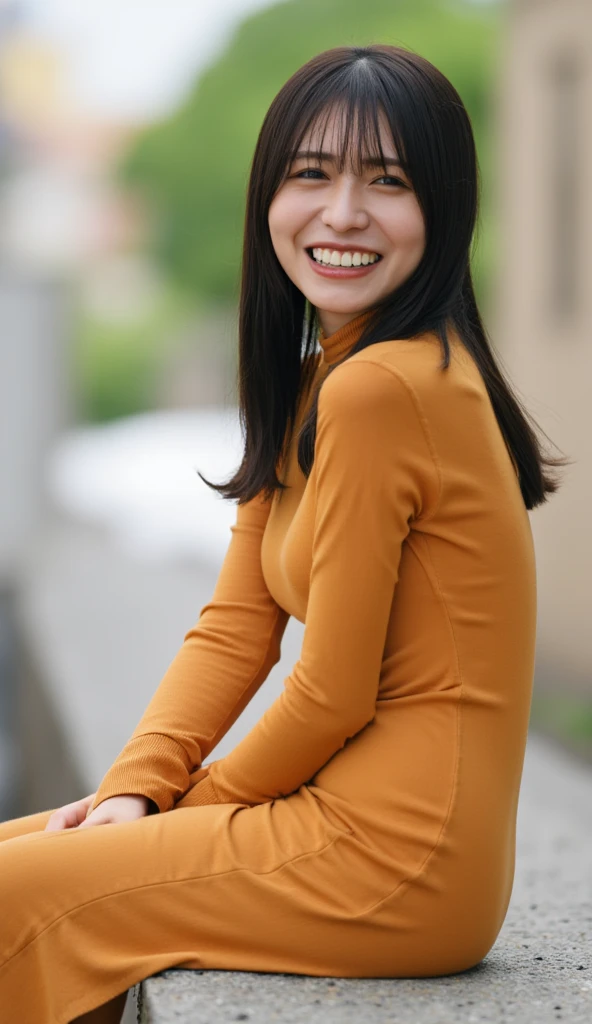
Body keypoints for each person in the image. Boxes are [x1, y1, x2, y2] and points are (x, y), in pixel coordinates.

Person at [0, 44, 568, 1024]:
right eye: (312, 173)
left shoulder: (384, 387)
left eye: (385, 181)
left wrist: (188, 806)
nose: (341, 213)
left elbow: (330, 690)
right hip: (365, 826)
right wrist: (137, 788)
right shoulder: (326, 373)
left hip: (396, 857)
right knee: (21, 854)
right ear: (268, 196)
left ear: (443, 209)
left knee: (25, 892)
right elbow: (234, 624)